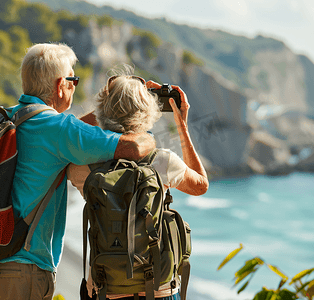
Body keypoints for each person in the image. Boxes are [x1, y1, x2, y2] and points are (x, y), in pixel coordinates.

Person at [0, 43, 156, 300]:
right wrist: (149, 128)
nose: (75, 86)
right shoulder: (58, 130)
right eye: (73, 79)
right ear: (60, 85)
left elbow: (73, 130)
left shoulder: (7, 118)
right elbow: (133, 147)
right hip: (23, 270)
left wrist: (109, 107)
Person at [67, 72, 209, 299]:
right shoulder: (163, 161)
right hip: (159, 289)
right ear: (147, 113)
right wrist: (181, 125)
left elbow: (68, 131)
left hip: (107, 290)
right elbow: (201, 185)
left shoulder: (81, 168)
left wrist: (110, 103)